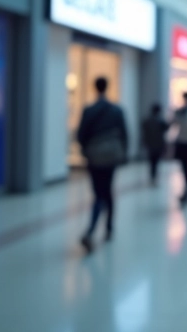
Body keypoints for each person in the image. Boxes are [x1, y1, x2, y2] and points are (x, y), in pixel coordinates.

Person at [76, 77, 128, 252]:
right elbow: (124, 134)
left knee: (99, 193)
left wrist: (86, 150)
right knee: (108, 190)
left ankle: (91, 231)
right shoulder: (117, 110)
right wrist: (124, 154)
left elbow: (80, 135)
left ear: (94, 88)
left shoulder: (89, 110)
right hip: (111, 156)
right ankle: (109, 227)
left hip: (94, 157)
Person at [141, 103, 170, 186]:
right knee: (155, 162)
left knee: (152, 162)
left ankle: (152, 177)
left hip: (150, 144)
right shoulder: (160, 121)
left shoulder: (147, 120)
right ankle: (154, 177)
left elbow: (144, 132)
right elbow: (167, 128)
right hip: (158, 144)